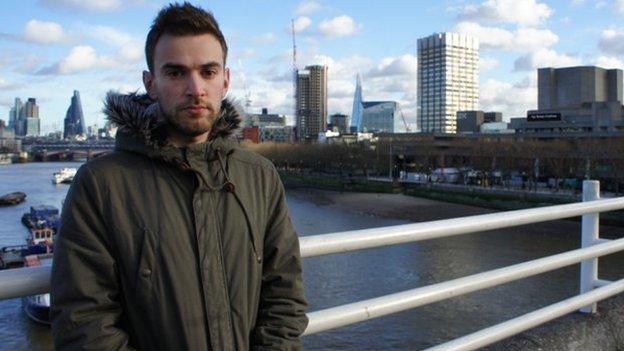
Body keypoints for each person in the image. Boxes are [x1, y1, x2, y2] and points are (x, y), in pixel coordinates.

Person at [50, 2, 308, 350]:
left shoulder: (259, 176)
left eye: (208, 72)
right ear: (150, 83)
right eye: (175, 73)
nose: (195, 88)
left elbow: (284, 296)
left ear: (226, 80)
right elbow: (85, 324)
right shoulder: (100, 184)